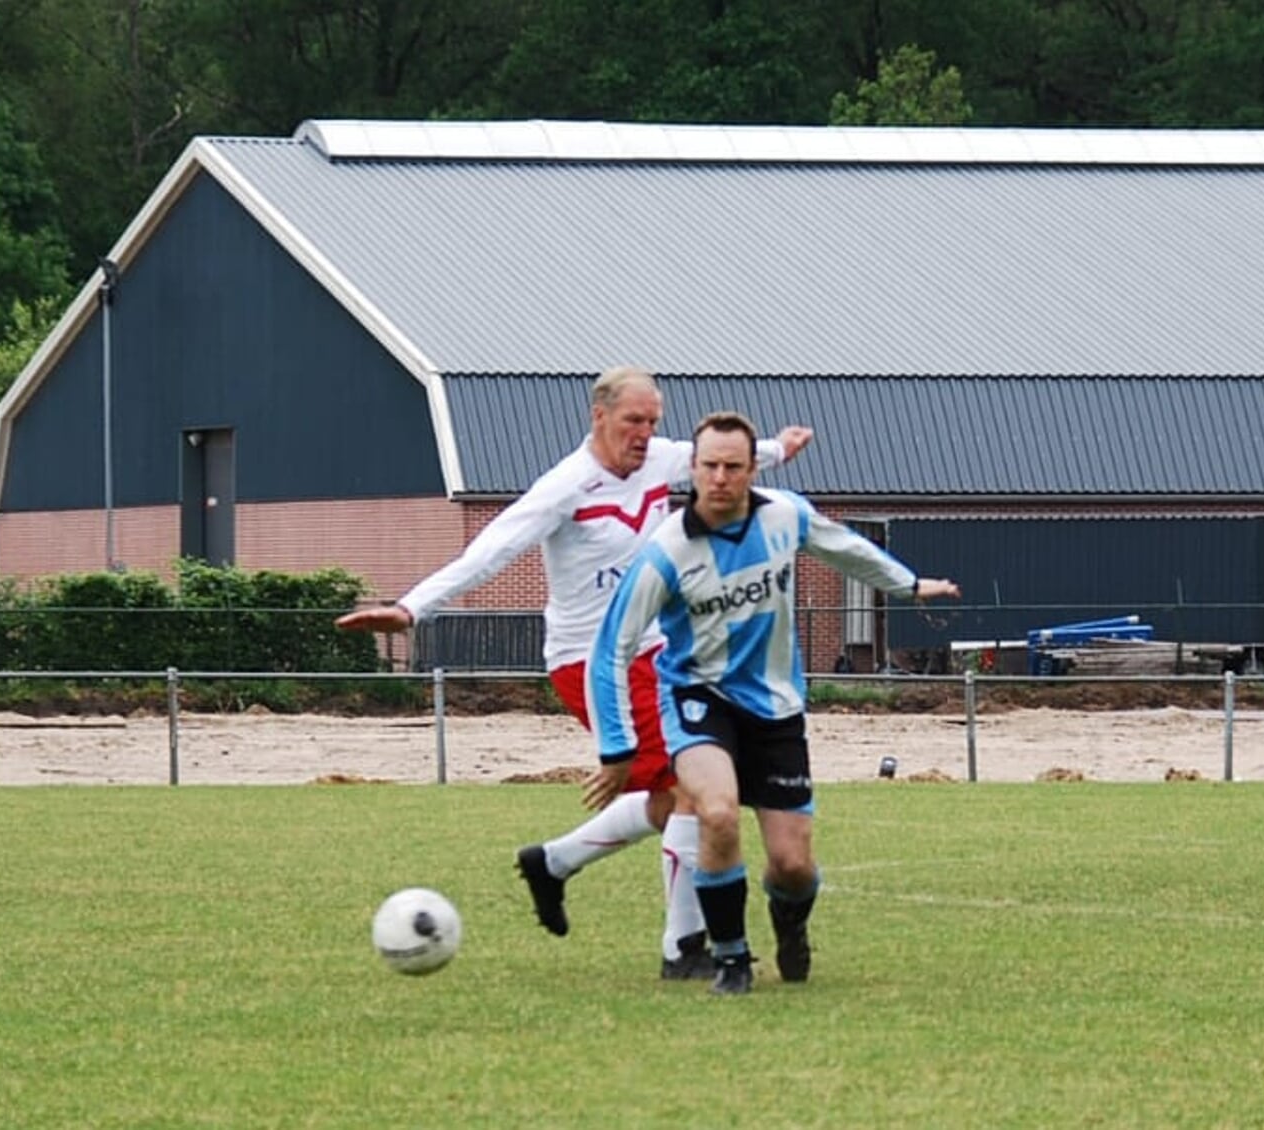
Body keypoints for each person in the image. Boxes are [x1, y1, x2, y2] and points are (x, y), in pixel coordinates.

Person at [336, 367, 813, 978]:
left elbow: (725, 459)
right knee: (690, 793)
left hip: (659, 652)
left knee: (677, 795)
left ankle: (554, 864)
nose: (644, 434)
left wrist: (779, 447)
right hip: (591, 659)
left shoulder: (666, 460)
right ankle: (682, 949)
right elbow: (490, 550)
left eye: (652, 422)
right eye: (632, 422)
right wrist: (411, 608)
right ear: (599, 417)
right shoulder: (565, 487)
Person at [586, 411, 960, 994]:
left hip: (777, 708)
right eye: (708, 465)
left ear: (751, 468)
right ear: (692, 468)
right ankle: (731, 958)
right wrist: (617, 747)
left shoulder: (785, 516)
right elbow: (610, 648)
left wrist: (908, 585)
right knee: (715, 812)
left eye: (733, 467)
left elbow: (845, 549)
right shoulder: (668, 550)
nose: (719, 477)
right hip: (698, 697)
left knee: (791, 866)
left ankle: (791, 927)